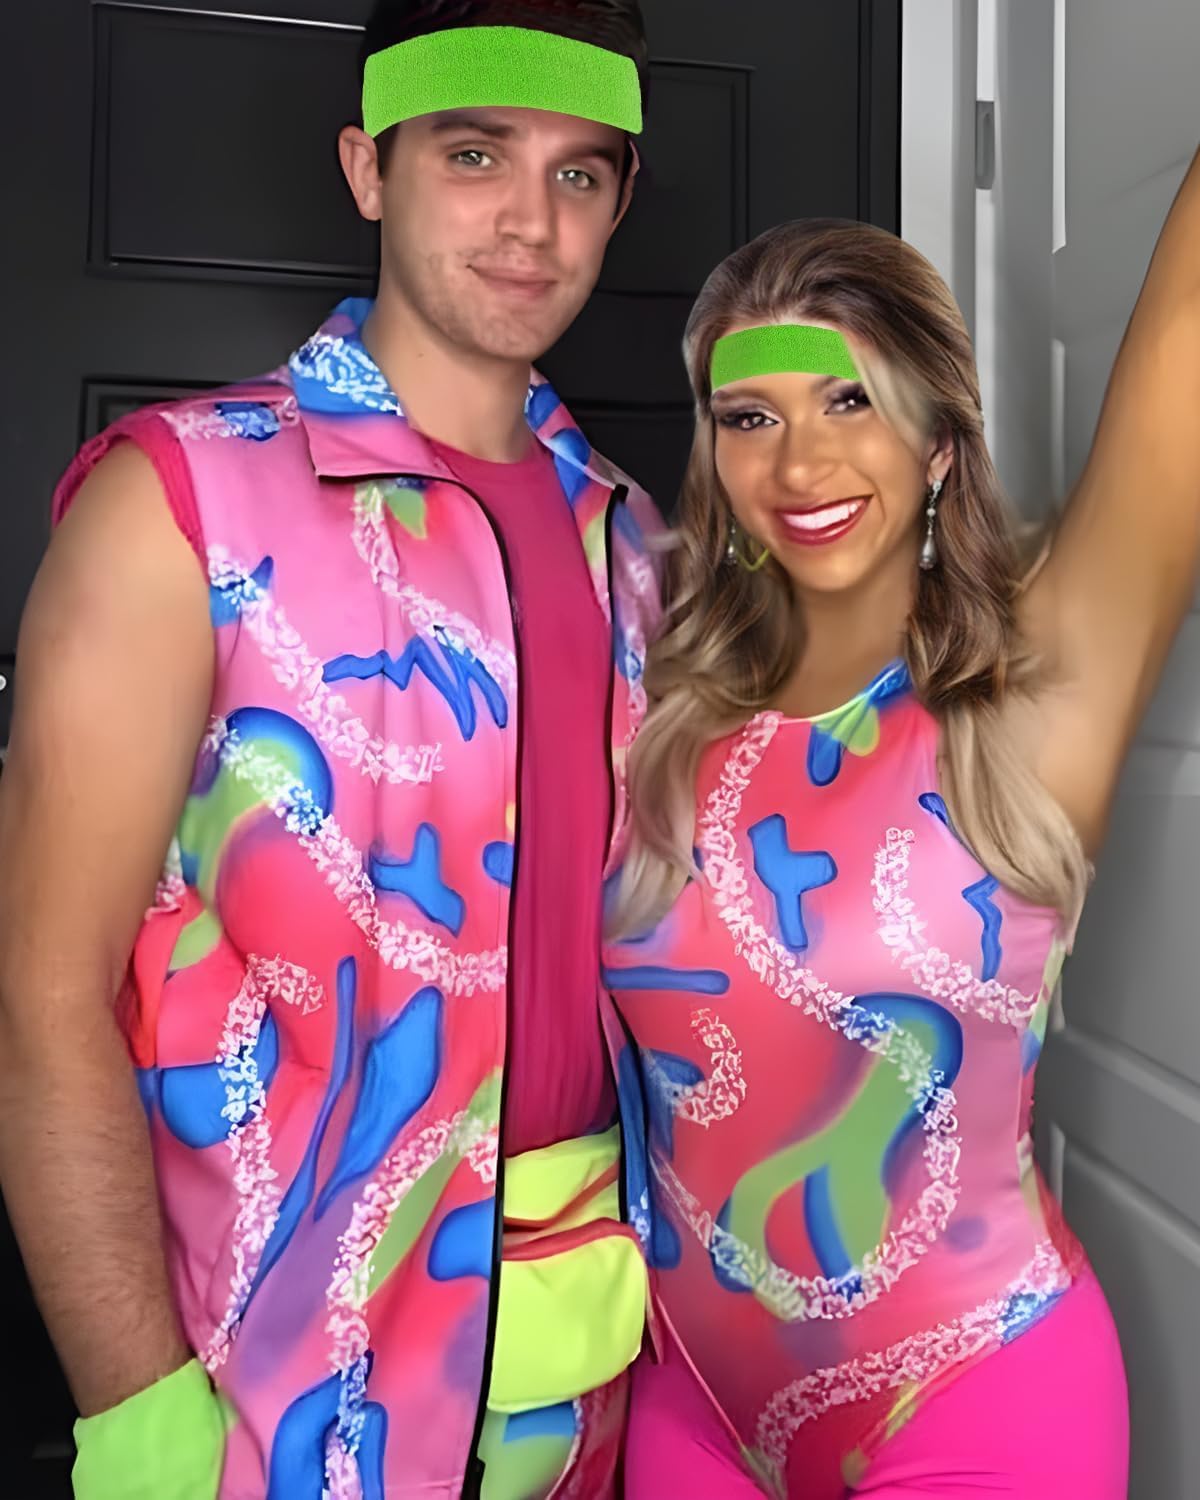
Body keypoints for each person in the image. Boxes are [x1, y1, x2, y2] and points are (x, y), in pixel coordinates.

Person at [0, 2, 663, 1495]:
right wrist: (139, 1422)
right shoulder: (179, 505)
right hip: (276, 1401)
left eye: (579, 172)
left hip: (593, 1381)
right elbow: (41, 998)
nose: (531, 221)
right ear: (369, 168)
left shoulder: (641, 546)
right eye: (476, 153)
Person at [602, 145, 1200, 1500]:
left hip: (981, 1401)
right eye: (747, 417)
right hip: (688, 1407)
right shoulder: (655, 701)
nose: (799, 459)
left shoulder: (1039, 684)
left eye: (849, 400)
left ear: (938, 443)